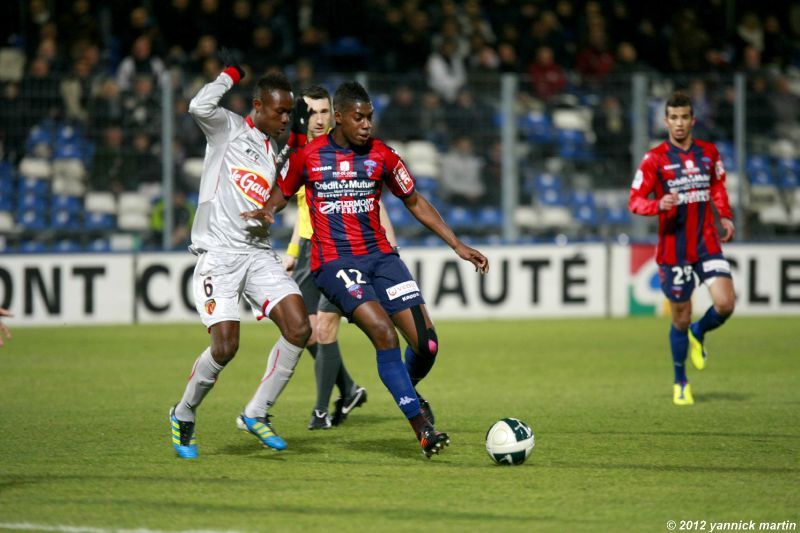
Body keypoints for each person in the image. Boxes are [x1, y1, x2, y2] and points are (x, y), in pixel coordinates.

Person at [243, 81, 489, 458]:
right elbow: (282, 191)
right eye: (358, 117)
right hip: (334, 262)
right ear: (338, 118)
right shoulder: (309, 156)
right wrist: (268, 210)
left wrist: (457, 244)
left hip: (381, 258)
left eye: (370, 117)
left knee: (427, 346)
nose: (366, 124)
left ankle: (407, 389)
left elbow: (414, 201)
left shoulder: (383, 156)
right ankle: (422, 427)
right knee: (382, 333)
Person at [168, 55, 311, 459]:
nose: (286, 118)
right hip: (219, 255)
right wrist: (228, 75)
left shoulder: (272, 150)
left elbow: (280, 192)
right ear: (259, 106)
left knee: (299, 328)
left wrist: (271, 209)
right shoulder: (226, 128)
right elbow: (198, 106)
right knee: (225, 348)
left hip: (258, 253)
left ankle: (257, 411)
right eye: (279, 110)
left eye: (289, 112)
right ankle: (184, 412)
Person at [282, 85, 399, 430]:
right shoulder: (305, 155)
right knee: (307, 332)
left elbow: (371, 200)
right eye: (311, 113)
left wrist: (388, 245)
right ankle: (347, 390)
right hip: (308, 248)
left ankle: (322, 410)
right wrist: (291, 253)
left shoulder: (340, 152)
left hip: (338, 249)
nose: (318, 119)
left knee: (322, 328)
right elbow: (304, 210)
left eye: (323, 111)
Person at [628, 90, 736, 406]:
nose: (678, 123)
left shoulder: (709, 153)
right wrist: (657, 204)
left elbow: (717, 186)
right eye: (673, 117)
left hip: (707, 243)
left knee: (726, 303)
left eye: (684, 117)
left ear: (692, 119)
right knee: (680, 317)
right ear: (666, 121)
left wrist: (725, 215)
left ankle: (699, 333)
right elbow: (634, 201)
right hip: (674, 250)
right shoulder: (654, 159)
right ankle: (680, 380)